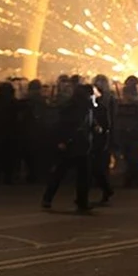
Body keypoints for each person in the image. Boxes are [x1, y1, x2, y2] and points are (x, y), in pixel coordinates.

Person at [41, 84, 97, 213]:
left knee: (66, 173)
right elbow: (64, 125)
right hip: (75, 145)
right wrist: (62, 140)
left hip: (77, 145)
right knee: (68, 173)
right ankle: (79, 202)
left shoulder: (78, 106)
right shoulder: (77, 107)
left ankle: (51, 198)